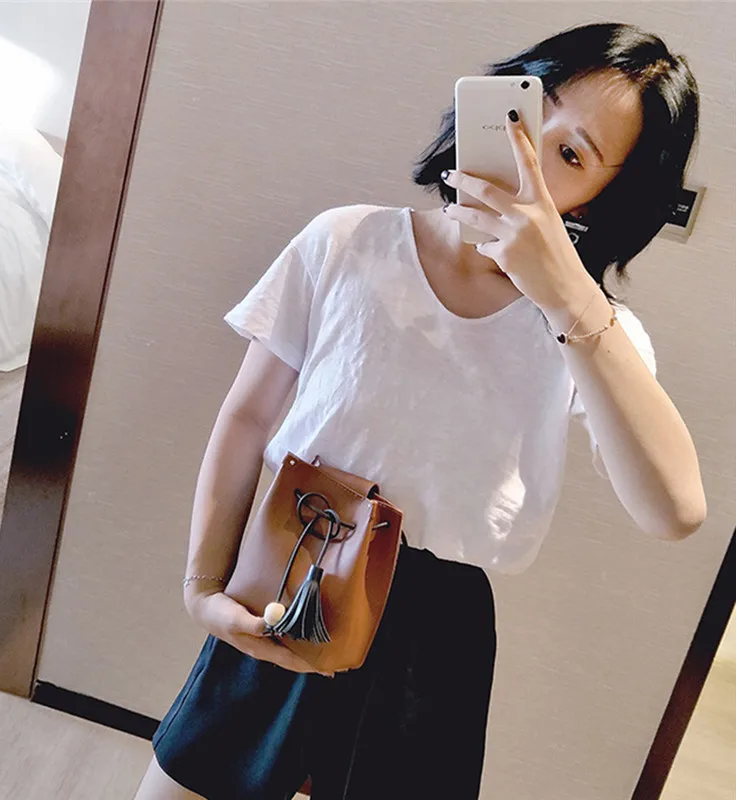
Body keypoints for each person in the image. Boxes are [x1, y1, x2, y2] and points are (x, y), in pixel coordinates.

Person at [135, 21, 706, 800]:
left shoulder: (594, 335)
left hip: (434, 636)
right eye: (532, 106)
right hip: (295, 559)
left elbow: (674, 510)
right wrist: (203, 582)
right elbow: (247, 419)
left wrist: (568, 296)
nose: (530, 152)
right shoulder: (346, 241)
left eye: (573, 155)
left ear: (609, 197)